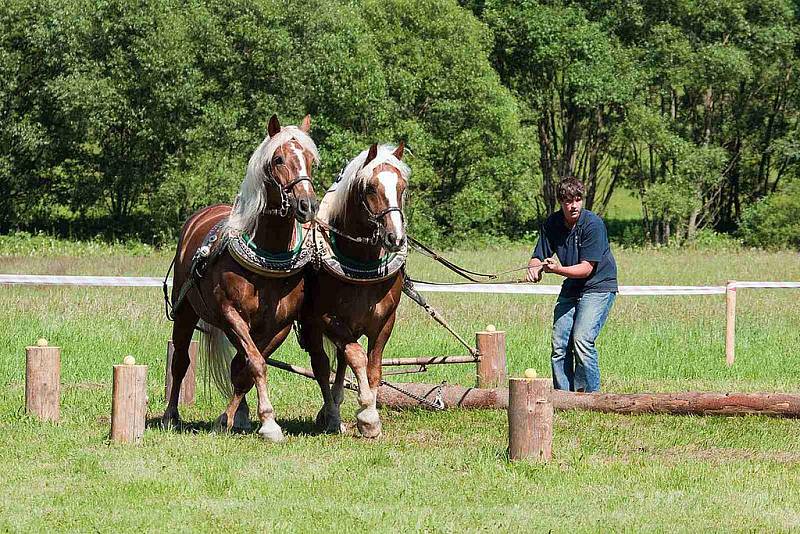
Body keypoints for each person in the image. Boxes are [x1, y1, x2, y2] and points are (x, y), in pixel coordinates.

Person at [526, 177, 617, 392]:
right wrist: (533, 268)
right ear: (560, 202)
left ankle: (590, 398)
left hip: (598, 286)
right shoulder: (552, 223)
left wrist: (556, 269)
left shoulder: (593, 224)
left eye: (578, 199)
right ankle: (563, 397)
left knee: (582, 340)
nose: (573, 205)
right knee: (559, 345)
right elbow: (538, 256)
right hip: (572, 286)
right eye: (568, 201)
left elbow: (586, 269)